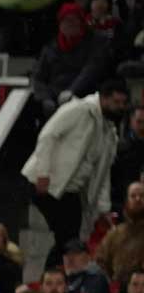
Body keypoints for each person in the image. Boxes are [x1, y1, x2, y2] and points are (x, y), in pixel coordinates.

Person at [22, 81, 129, 265]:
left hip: (71, 190)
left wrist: (103, 208)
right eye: (116, 102)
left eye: (123, 103)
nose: (121, 108)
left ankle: (56, 277)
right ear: (103, 98)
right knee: (68, 239)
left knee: (70, 240)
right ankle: (56, 278)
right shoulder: (78, 110)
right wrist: (43, 173)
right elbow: (48, 135)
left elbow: (102, 173)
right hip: (49, 183)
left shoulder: (109, 132)